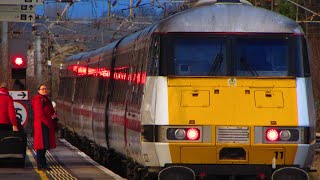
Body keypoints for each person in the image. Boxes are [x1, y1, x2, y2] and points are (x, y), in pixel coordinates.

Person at [31, 84, 57, 170]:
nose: (44, 90)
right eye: (42, 89)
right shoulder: (38, 99)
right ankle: (41, 165)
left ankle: (43, 164)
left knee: (44, 145)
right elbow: (40, 114)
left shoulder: (45, 99)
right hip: (42, 125)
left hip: (45, 124)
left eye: (45, 88)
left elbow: (50, 110)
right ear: (38, 90)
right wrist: (47, 123)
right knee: (41, 146)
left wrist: (53, 117)